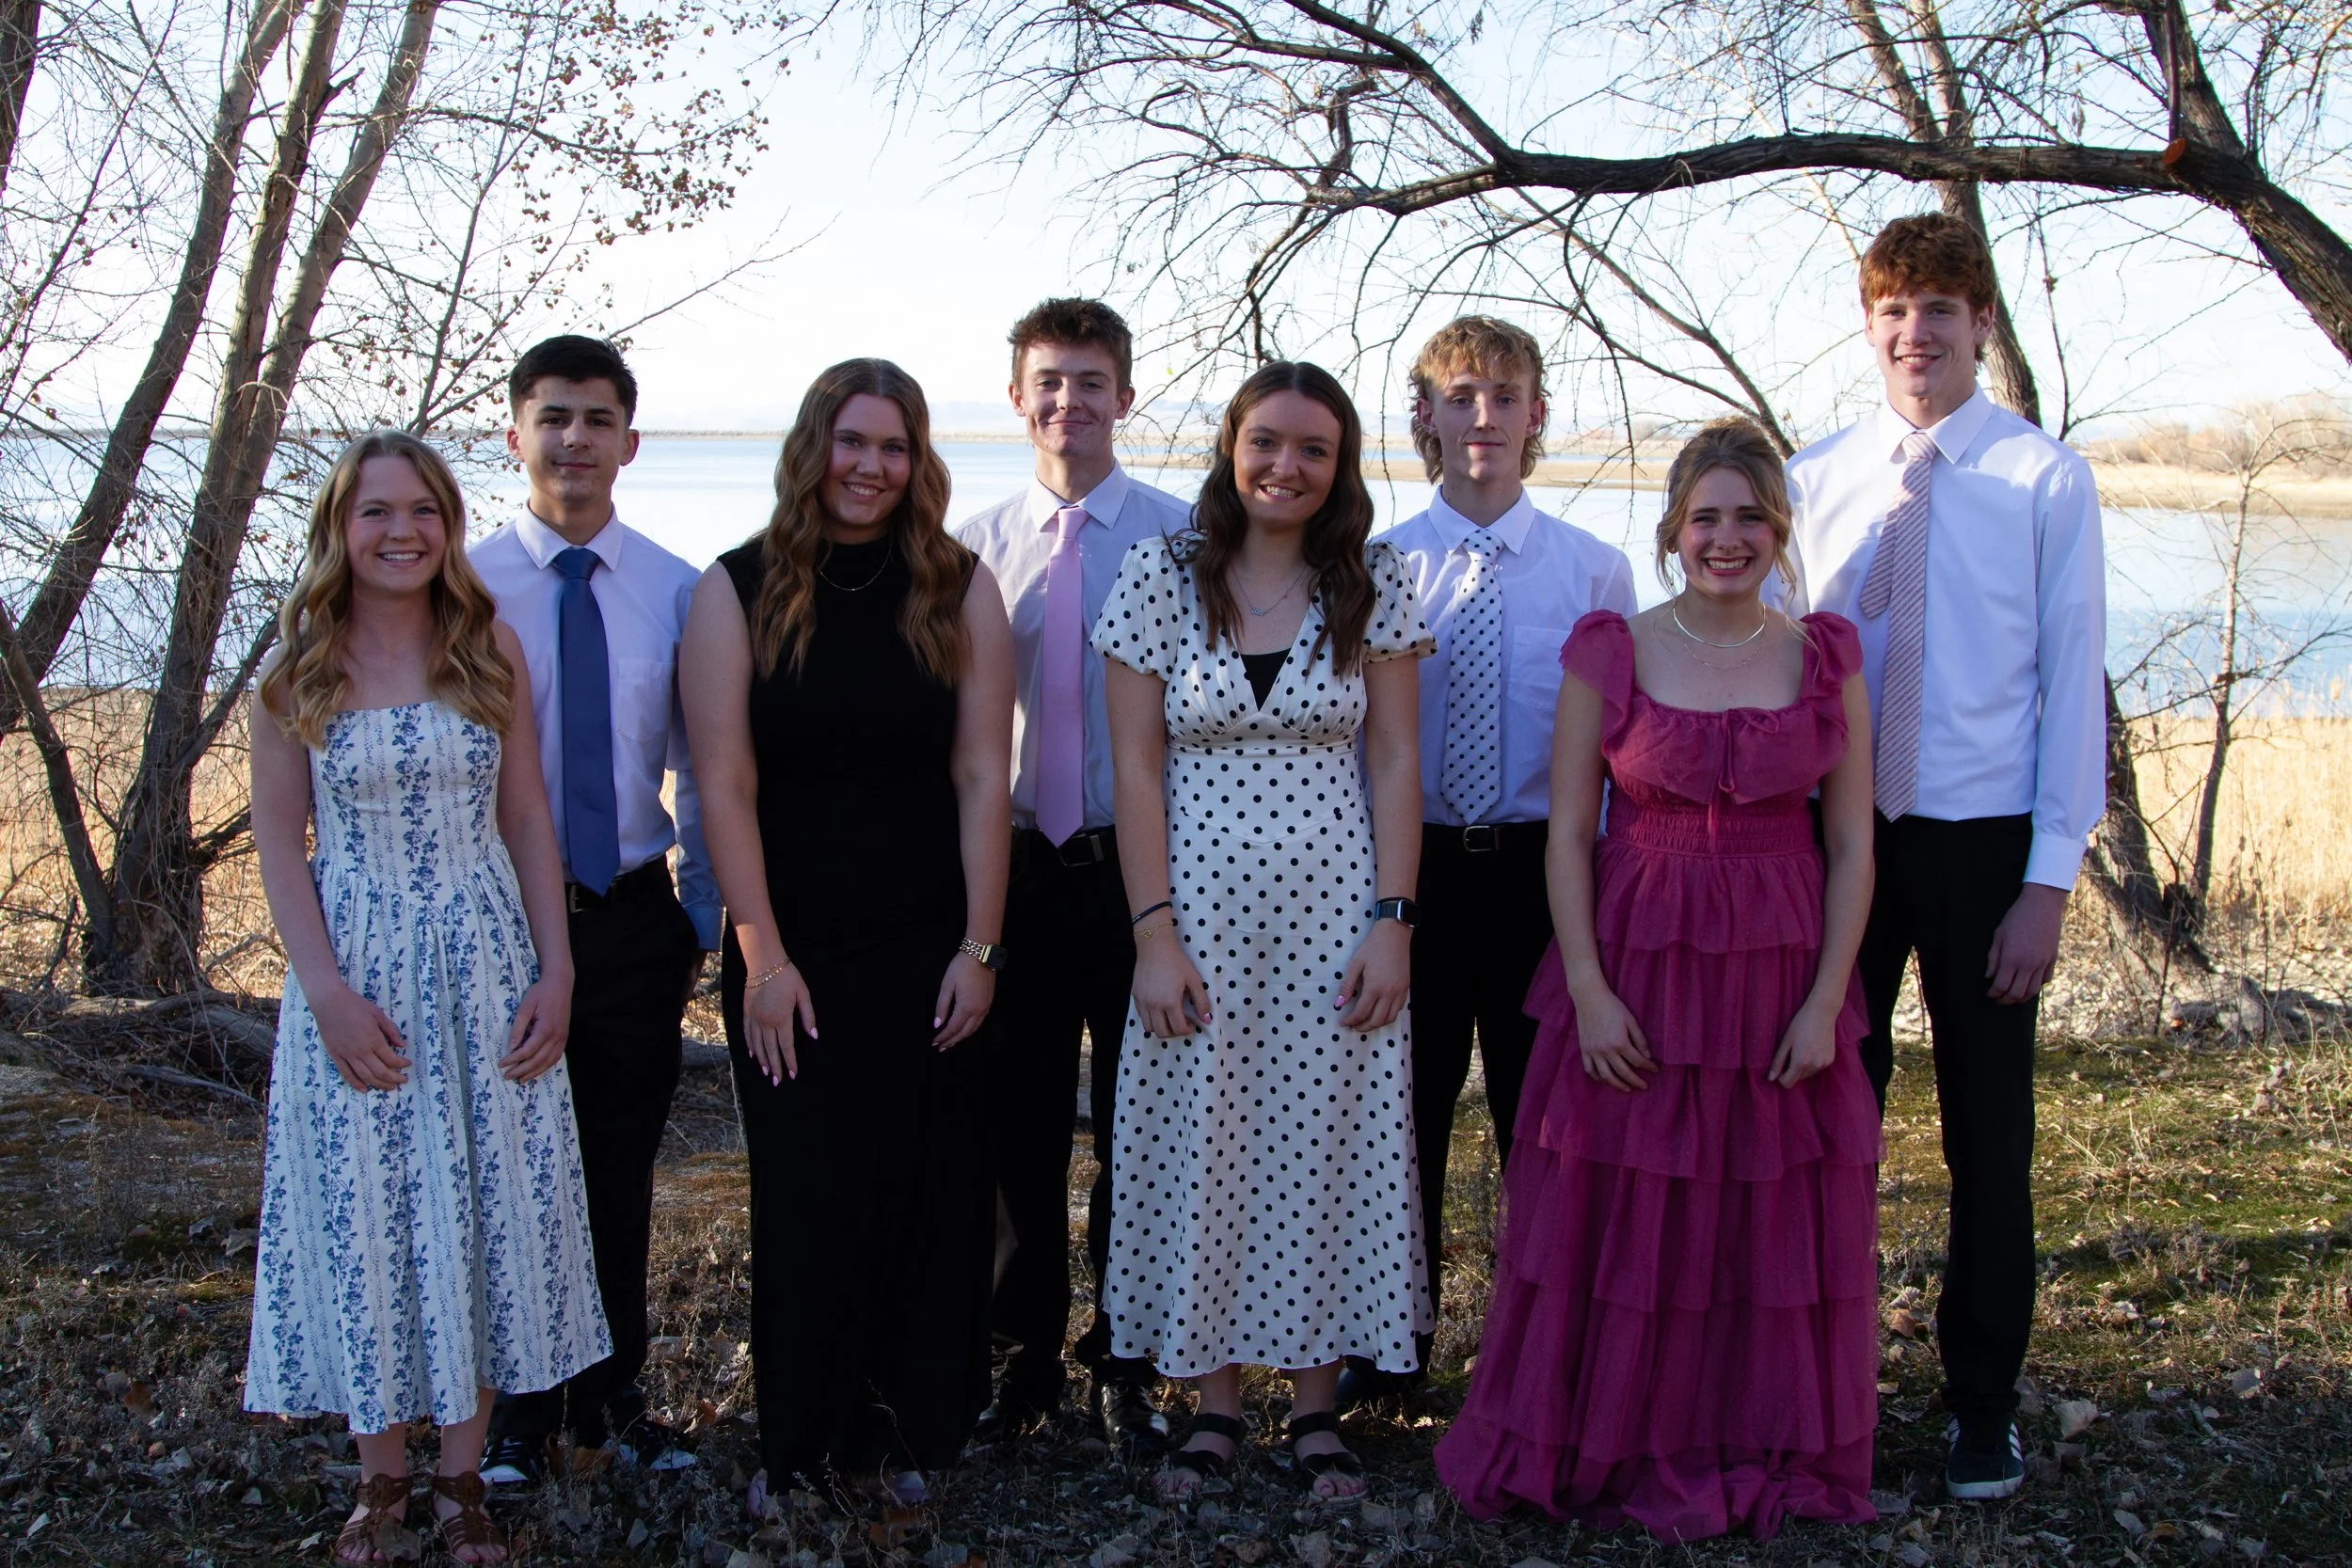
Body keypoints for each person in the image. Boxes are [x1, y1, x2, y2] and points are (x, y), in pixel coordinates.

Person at [1434, 418, 1882, 1542]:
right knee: (1625, 1206)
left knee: (1757, 1210)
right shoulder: (1612, 647)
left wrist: (1827, 999)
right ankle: (1614, 1431)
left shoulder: (1823, 656)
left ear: (1779, 529)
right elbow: (1567, 833)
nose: (1726, 538)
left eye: (1749, 517)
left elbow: (1851, 843)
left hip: (1778, 964)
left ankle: (1749, 1428)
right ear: (1674, 529)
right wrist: (1586, 990)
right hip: (1636, 958)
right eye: (1704, 517)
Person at [244, 430, 608, 1566]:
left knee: (484, 1206)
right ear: (339, 530)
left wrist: (557, 968)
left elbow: (527, 815)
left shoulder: (485, 645)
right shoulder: (297, 667)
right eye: (375, 511)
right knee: (370, 1214)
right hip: (357, 972)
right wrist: (326, 994)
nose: (400, 531)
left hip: (486, 962)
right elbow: (279, 844)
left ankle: (461, 1477)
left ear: (448, 527)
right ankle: (380, 1478)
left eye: (423, 511)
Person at [1785, 213, 2106, 1500]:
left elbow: (2072, 683)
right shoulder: (1814, 477)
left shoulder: (2043, 479)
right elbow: (1783, 669)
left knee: (1988, 1137)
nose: (1915, 333)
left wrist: (2047, 882)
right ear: (1869, 326)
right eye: (1893, 311)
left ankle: (1982, 1403)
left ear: (1979, 324)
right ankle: (1820, 1387)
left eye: (1939, 310)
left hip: (1983, 848)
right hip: (1841, 844)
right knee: (1823, 1129)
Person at [1093, 361, 1434, 1501]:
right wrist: (1152, 934)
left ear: (1341, 466)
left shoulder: (1372, 581)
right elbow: (1134, 769)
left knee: (1326, 1139)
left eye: (1314, 449)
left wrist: (1392, 921)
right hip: (1193, 922)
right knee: (1207, 1138)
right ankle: (1215, 1402)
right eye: (1267, 441)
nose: (1287, 466)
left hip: (1337, 920)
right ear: (1231, 446)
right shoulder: (1158, 575)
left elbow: (1395, 760)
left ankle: (1317, 1402)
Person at [680, 357, 1014, 1504]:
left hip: (932, 944)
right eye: (852, 440)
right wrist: (761, 957)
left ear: (918, 461)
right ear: (812, 446)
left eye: (894, 446)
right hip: (795, 951)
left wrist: (980, 947)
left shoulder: (959, 586)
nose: (870, 467)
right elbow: (724, 784)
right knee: (812, 1195)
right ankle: (804, 1445)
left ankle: (907, 1437)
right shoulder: (735, 588)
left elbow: (982, 775)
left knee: (929, 1193)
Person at [1348, 316, 1636, 1407]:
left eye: (1505, 396)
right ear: (1423, 413)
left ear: (1536, 416)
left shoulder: (1592, 570)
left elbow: (1621, 749)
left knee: (1545, 1125)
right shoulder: (1375, 566)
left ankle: (1542, 1361)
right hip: (1408, 877)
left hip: (1539, 874)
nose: (1483, 417)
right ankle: (1390, 1350)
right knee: (1399, 1117)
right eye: (1460, 396)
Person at [470, 335, 719, 1483]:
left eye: (598, 419)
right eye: (553, 416)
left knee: (616, 1170)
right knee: (513, 1168)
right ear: (514, 433)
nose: (575, 439)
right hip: (497, 920)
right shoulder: (461, 587)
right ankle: (517, 1416)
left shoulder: (679, 589)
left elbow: (705, 768)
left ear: (631, 439)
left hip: (628, 916)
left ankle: (611, 1402)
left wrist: (704, 919)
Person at [954, 299, 1194, 1450]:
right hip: (1012, 870)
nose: (1069, 402)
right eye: (1049, 381)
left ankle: (1127, 1357)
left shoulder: (1185, 543)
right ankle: (1022, 1360)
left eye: (1092, 382)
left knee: (1141, 1127)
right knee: (1018, 1126)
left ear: (1124, 398)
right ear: (1017, 397)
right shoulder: (971, 549)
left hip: (1138, 874)